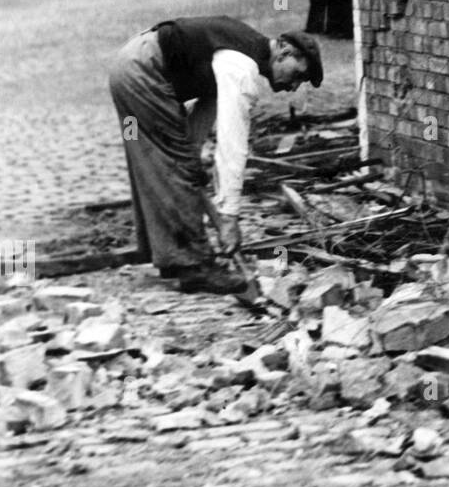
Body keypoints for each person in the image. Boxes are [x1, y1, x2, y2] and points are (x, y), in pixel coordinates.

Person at [108, 17, 323, 293]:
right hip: (143, 71)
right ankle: (195, 266)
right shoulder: (242, 68)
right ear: (283, 50)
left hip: (130, 65)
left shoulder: (238, 51)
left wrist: (190, 156)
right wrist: (229, 216)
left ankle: (172, 258)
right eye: (298, 75)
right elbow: (232, 144)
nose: (294, 86)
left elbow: (208, 105)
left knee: (161, 163)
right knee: (174, 166)